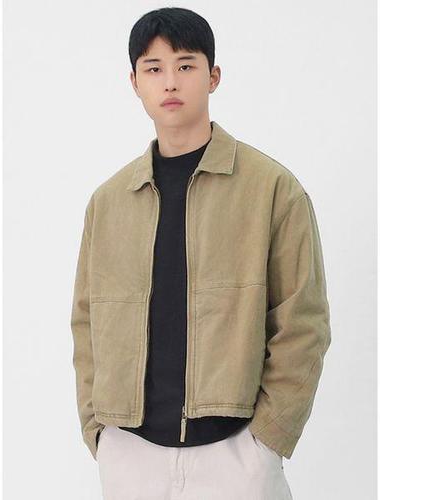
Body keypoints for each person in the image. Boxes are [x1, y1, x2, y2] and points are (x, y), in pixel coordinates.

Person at [70, 7, 331, 499]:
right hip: (130, 455)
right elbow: (86, 323)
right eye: (154, 68)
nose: (170, 81)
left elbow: (304, 322)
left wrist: (268, 439)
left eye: (186, 65)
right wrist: (100, 433)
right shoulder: (108, 202)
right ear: (134, 82)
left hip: (237, 455)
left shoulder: (272, 190)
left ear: (213, 77)